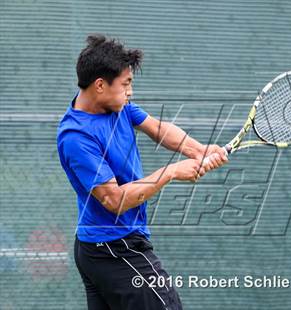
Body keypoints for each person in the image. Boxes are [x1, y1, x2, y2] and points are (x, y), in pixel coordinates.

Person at [57, 34, 227, 310]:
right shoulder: (77, 137)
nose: (130, 92)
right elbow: (115, 200)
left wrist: (199, 150)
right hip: (115, 248)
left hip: (100, 247)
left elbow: (159, 129)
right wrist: (171, 172)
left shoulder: (116, 106)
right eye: (126, 84)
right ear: (100, 85)